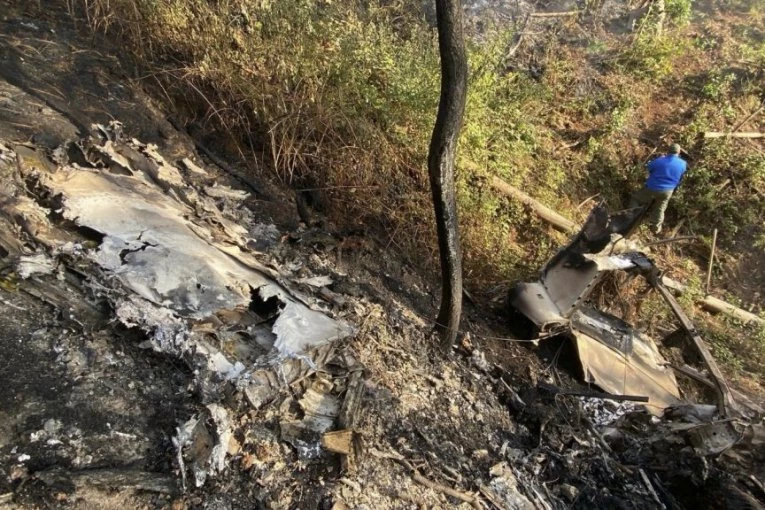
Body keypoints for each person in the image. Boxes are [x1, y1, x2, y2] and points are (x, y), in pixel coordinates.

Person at [629, 143, 687, 235]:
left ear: (668, 151)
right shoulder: (683, 164)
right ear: (678, 152)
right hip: (668, 191)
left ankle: (630, 217)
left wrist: (660, 160)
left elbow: (649, 168)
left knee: (636, 198)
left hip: (652, 187)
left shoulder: (660, 161)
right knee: (660, 208)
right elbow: (681, 175)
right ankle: (656, 229)